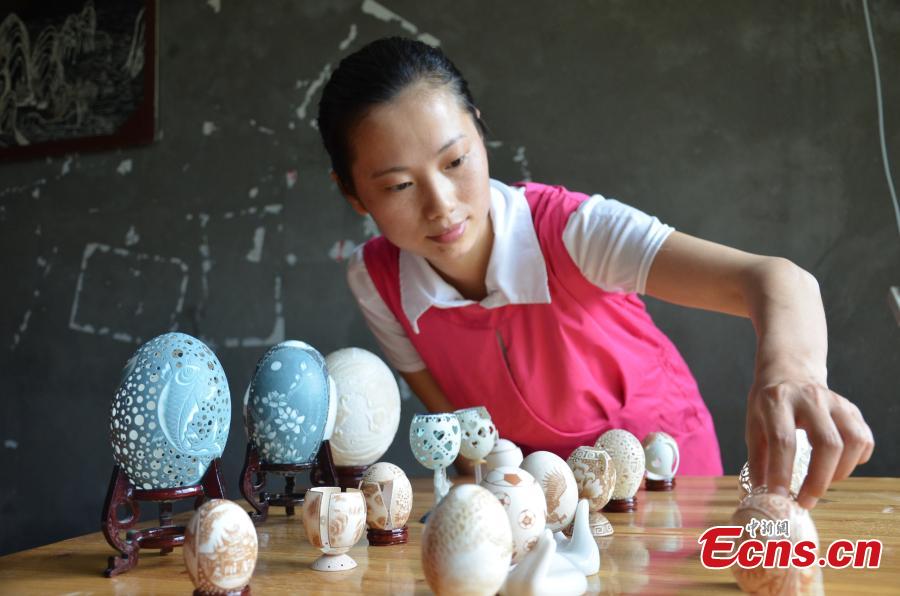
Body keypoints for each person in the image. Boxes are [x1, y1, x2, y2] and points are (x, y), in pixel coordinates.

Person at [316, 37, 873, 508]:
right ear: (353, 194)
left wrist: (790, 374)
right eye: (399, 186)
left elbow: (778, 280)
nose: (441, 206)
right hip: (532, 503)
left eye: (456, 161)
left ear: (480, 133)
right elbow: (461, 435)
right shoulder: (376, 282)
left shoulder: (575, 231)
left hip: (666, 485)